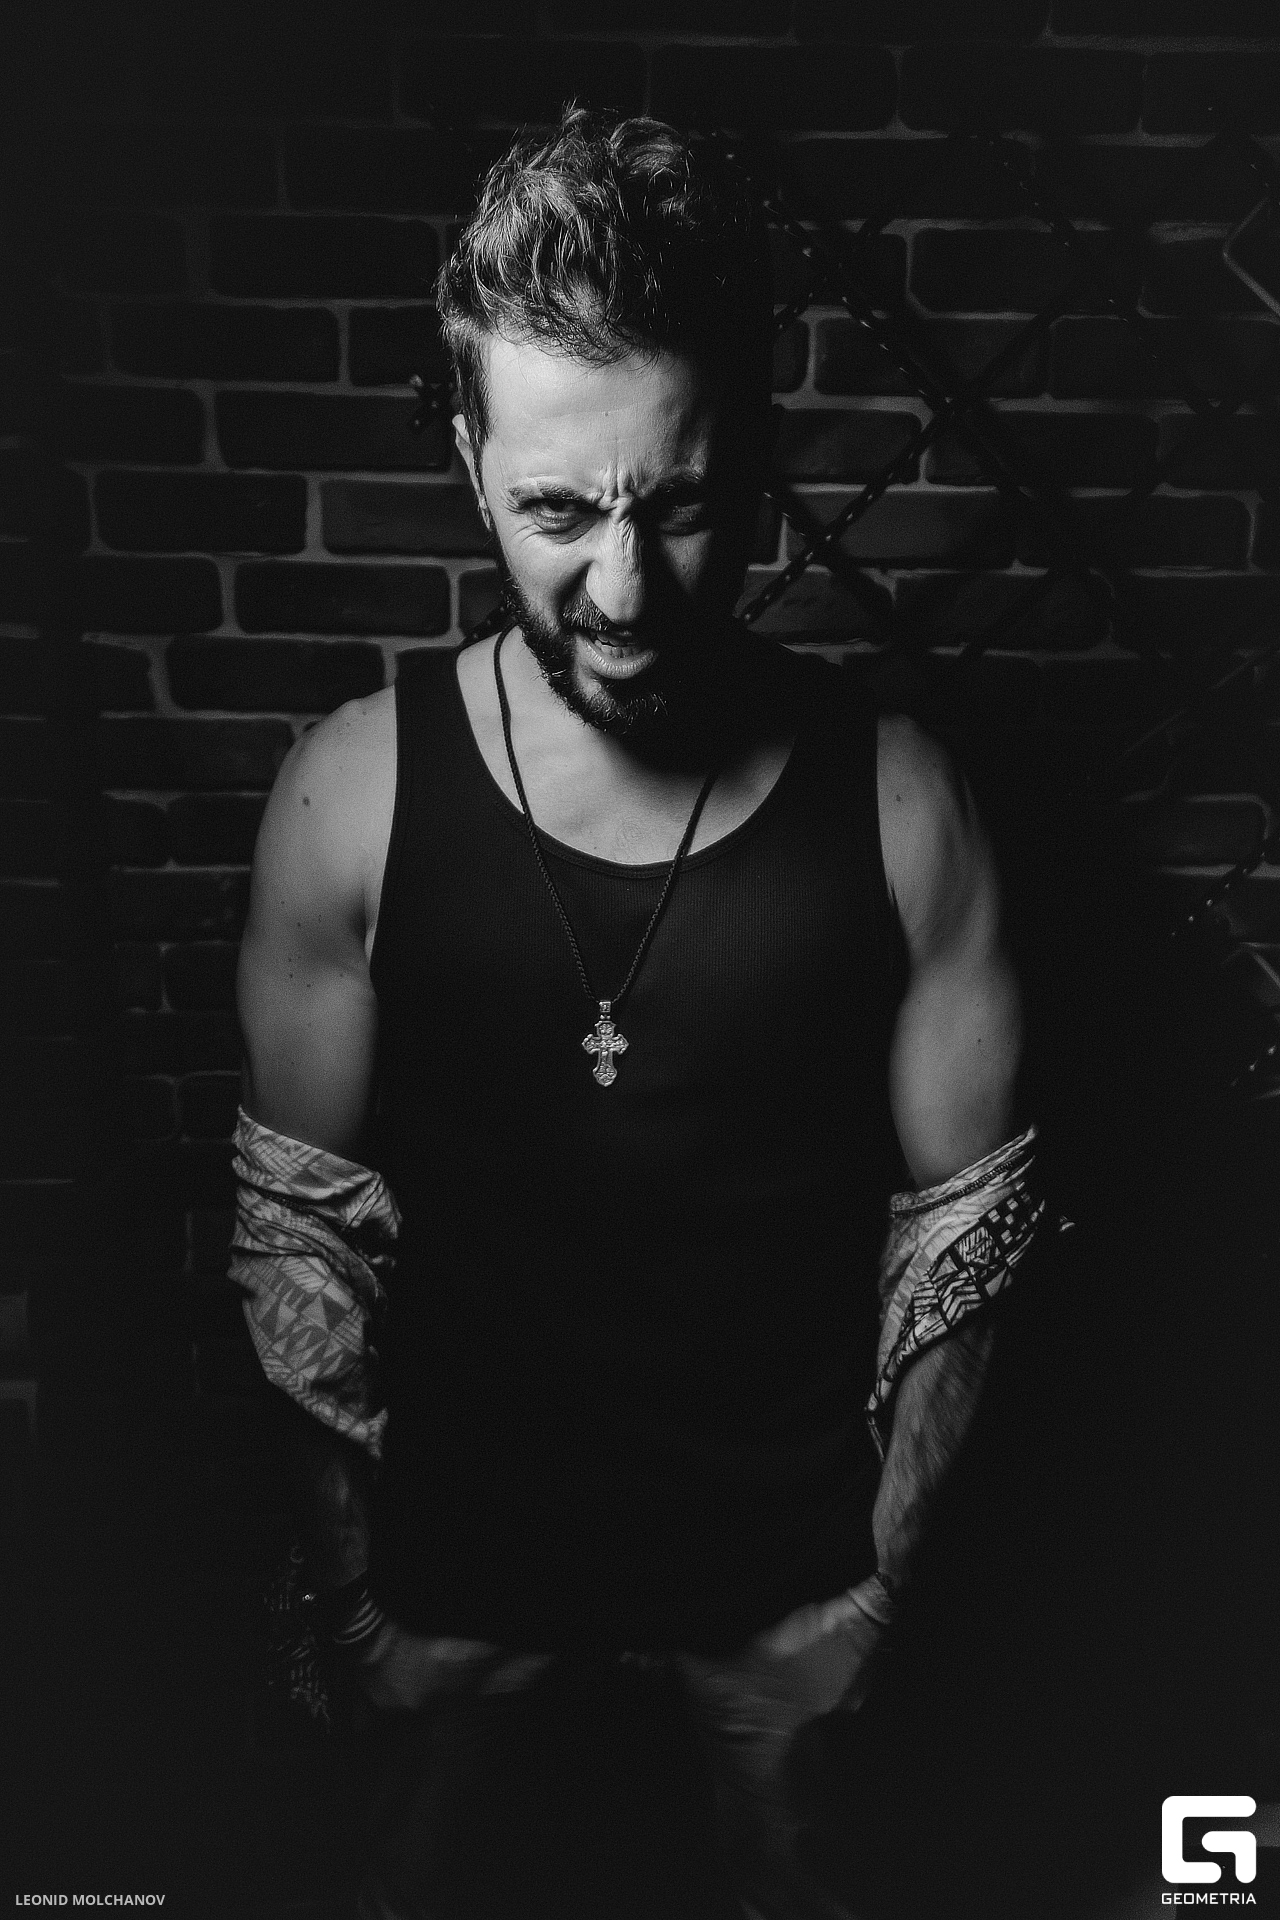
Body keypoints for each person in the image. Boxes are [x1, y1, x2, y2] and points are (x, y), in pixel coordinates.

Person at [230, 108, 1051, 1920]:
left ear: (754, 454)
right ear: (471, 460)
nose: (621, 590)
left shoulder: (905, 805)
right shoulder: (348, 798)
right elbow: (300, 1248)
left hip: (787, 1615)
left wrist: (871, 1614)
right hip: (453, 1613)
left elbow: (969, 1245)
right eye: (556, 510)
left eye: (679, 505)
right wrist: (365, 1619)